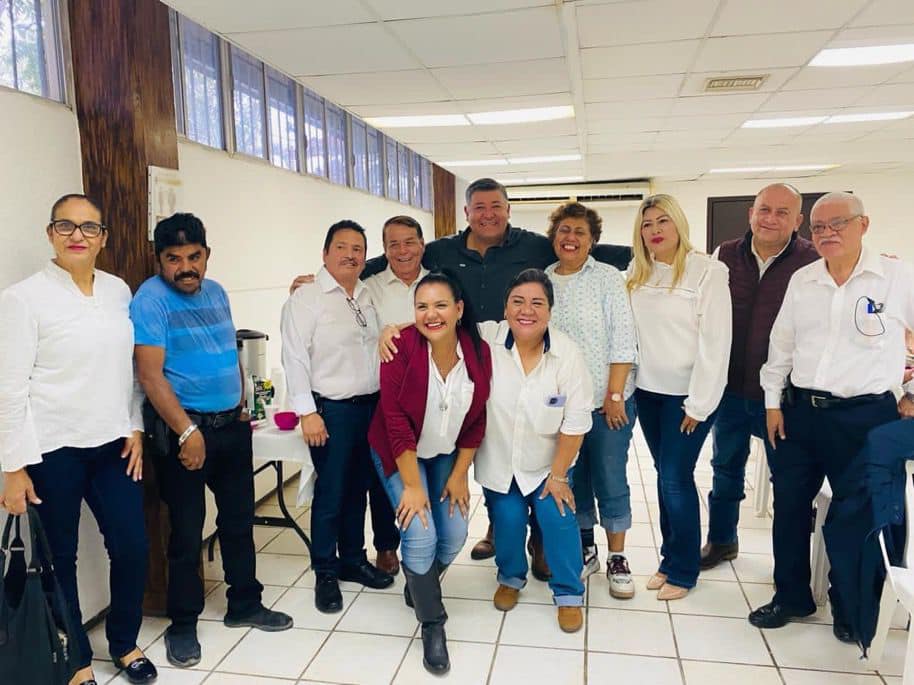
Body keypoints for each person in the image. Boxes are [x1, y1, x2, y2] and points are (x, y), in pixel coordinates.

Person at [376, 178, 631, 576]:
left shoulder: (533, 246)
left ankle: (542, 542)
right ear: (466, 212)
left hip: (535, 356)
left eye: (496, 205)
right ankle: (499, 534)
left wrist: (650, 256)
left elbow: (582, 246)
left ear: (508, 209)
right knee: (497, 455)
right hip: (481, 358)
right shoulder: (444, 250)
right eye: (479, 207)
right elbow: (399, 259)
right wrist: (346, 278)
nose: (488, 214)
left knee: (554, 462)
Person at [0, 194, 156, 685]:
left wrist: (135, 424)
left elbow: (130, 369)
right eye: (65, 226)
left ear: (103, 238)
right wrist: (13, 468)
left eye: (89, 228)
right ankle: (76, 659)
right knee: (59, 559)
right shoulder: (23, 298)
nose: (77, 236)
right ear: (50, 233)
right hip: (53, 450)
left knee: (132, 546)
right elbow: (10, 388)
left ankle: (124, 642)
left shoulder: (118, 290)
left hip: (113, 446)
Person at [750, 192, 914, 640]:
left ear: (864, 224)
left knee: (858, 516)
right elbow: (781, 345)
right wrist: (771, 403)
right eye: (819, 227)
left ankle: (849, 607)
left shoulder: (896, 278)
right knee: (789, 507)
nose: (827, 233)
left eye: (838, 223)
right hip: (800, 413)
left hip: (866, 417)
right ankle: (791, 596)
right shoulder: (803, 280)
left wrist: (911, 393)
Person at [132, 213, 293, 668]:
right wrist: (188, 431)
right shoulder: (150, 301)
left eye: (194, 256)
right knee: (186, 532)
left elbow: (227, 349)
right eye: (174, 258)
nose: (185, 267)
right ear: (159, 260)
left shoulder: (217, 292)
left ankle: (245, 603)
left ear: (207, 255)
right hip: (184, 432)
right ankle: (183, 624)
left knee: (239, 521)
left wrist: (241, 402)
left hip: (231, 428)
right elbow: (150, 375)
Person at [368, 271, 492, 674]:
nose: (431, 314)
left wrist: (459, 475)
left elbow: (477, 418)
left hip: (444, 453)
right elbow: (394, 421)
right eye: (421, 306)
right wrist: (411, 485)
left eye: (441, 305)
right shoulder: (399, 347)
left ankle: (420, 585)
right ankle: (432, 622)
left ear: (459, 309)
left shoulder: (478, 351)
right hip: (399, 451)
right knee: (421, 532)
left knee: (454, 532)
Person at [701, 184, 819, 570]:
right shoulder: (725, 254)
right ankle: (722, 541)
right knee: (725, 469)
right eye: (764, 209)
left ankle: (788, 565)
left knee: (787, 481)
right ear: (751, 213)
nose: (770, 218)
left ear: (798, 221)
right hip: (731, 390)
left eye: (782, 212)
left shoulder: (813, 261)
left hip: (784, 397)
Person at [281, 220, 394, 615]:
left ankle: (353, 559)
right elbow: (294, 357)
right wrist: (307, 412)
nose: (350, 255)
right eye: (342, 247)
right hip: (331, 411)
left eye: (358, 248)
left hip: (369, 408)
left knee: (358, 489)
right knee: (330, 494)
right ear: (325, 253)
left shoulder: (365, 294)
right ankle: (325, 572)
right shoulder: (306, 298)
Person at [475, 269, 594, 633]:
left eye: (537, 303)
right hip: (500, 460)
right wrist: (391, 330)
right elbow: (439, 322)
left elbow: (576, 420)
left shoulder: (566, 353)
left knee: (558, 517)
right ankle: (511, 577)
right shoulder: (486, 338)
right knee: (508, 519)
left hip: (549, 463)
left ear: (550, 311)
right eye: (518, 302)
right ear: (505, 308)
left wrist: (558, 476)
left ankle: (569, 593)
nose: (527, 310)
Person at [627, 194, 732, 600]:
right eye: (647, 223)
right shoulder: (637, 271)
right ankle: (669, 559)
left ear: (679, 224)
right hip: (649, 393)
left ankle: (684, 570)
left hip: (688, 397)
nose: (654, 230)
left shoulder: (708, 272)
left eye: (662, 221)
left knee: (675, 478)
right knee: (665, 476)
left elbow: (716, 344)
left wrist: (700, 404)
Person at [543, 201, 639, 599]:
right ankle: (587, 548)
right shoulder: (542, 280)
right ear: (553, 237)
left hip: (607, 402)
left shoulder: (607, 278)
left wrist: (614, 394)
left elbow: (623, 338)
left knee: (610, 477)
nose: (570, 238)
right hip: (563, 405)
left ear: (592, 240)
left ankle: (618, 557)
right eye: (564, 230)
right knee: (574, 478)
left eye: (579, 232)